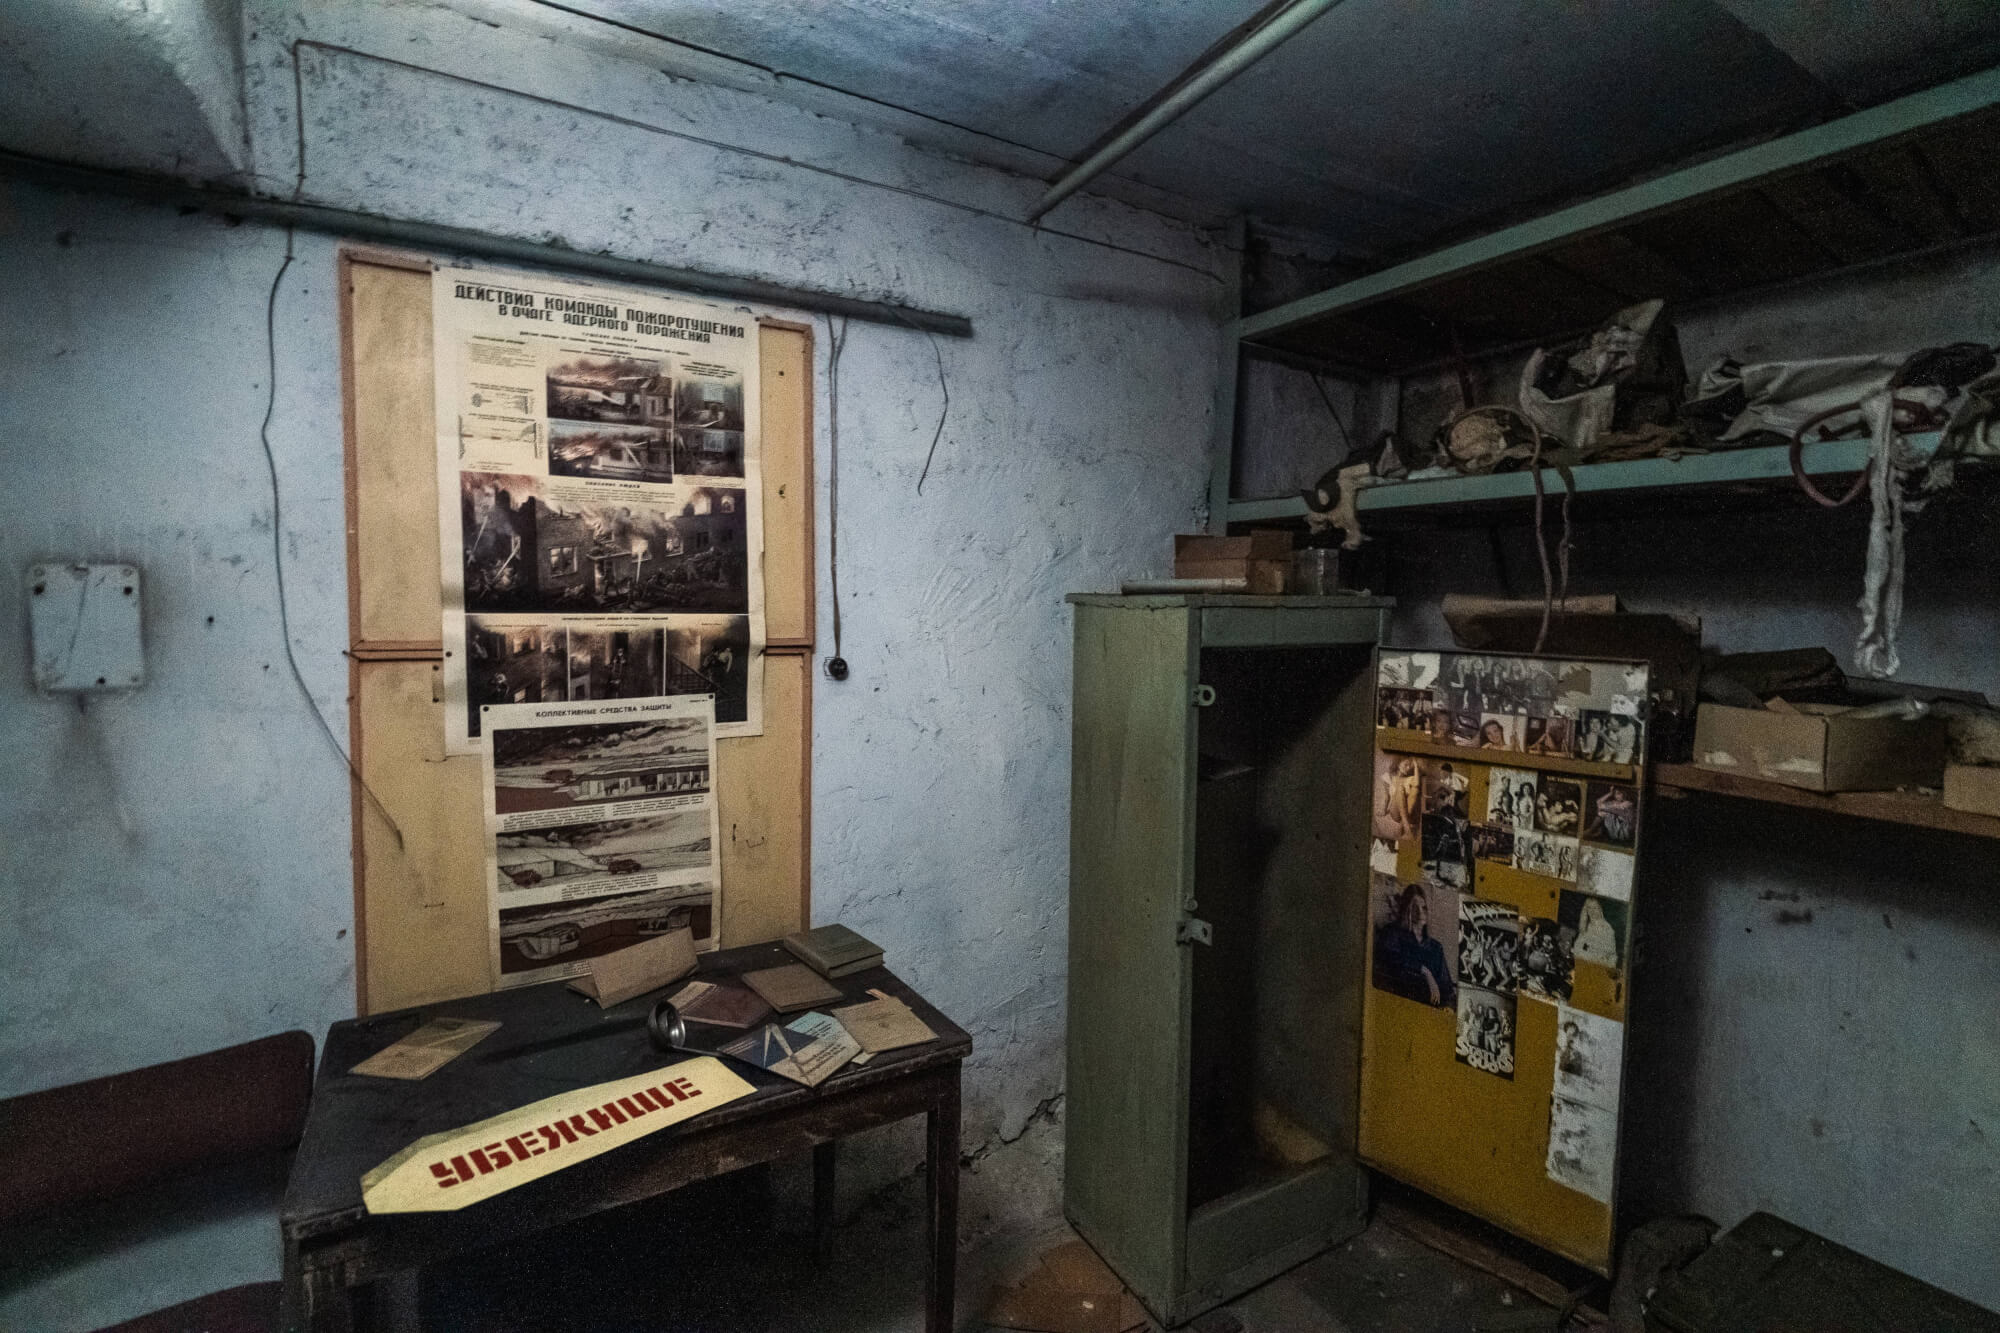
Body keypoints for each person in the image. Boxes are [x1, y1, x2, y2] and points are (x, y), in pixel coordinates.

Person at [1373, 884, 1456, 1007]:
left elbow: (1447, 988)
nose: (1420, 912)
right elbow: (1389, 959)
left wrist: (1447, 1008)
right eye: (1414, 907)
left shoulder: (1435, 947)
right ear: (1406, 909)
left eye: (1423, 907)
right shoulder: (1392, 933)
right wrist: (1424, 971)